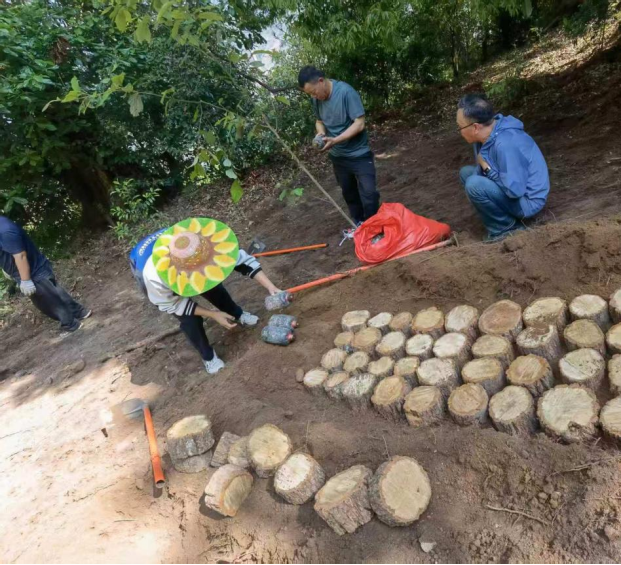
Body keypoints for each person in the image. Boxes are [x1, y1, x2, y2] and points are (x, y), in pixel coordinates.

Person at [130, 218, 293, 375]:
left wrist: (271, 287)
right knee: (189, 319)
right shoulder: (153, 277)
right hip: (143, 261)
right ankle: (208, 357)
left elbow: (243, 261)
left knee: (212, 286)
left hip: (179, 245)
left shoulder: (209, 242)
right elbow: (173, 304)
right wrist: (212, 314)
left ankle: (237, 314)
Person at [455, 94, 550, 243]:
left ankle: (506, 229)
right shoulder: (485, 135)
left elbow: (514, 191)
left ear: (475, 127)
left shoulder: (506, 144)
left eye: (460, 126)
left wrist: (486, 169)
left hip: (527, 201)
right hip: (511, 186)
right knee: (466, 174)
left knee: (474, 184)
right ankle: (501, 218)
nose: (459, 130)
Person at [298, 66, 380, 230]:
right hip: (339, 157)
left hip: (359, 154)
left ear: (321, 81)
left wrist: (335, 140)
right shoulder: (316, 99)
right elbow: (319, 121)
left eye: (313, 92)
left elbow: (359, 123)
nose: (313, 96)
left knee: (369, 193)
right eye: (310, 94)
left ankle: (375, 227)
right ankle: (359, 225)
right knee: (349, 193)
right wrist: (321, 133)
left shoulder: (346, 93)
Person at [0, 215, 90, 333]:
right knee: (55, 292)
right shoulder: (2, 225)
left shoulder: (5, 231)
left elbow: (20, 256)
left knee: (47, 301)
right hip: (33, 268)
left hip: (32, 272)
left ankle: (71, 325)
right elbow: (9, 250)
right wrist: (7, 268)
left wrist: (26, 280)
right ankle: (80, 312)